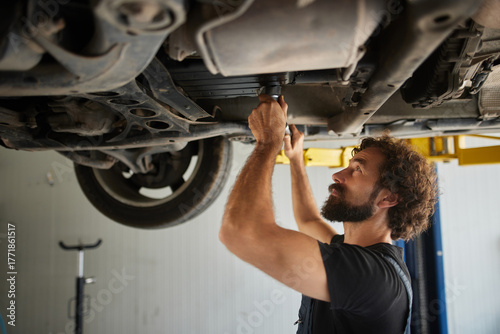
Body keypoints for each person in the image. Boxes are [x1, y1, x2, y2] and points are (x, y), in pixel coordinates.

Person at [219, 94, 438, 333]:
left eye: (357, 170)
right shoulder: (354, 253)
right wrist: (295, 160)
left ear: (388, 198)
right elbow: (308, 219)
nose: (337, 175)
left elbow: (242, 233)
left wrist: (268, 142)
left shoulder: (372, 277)